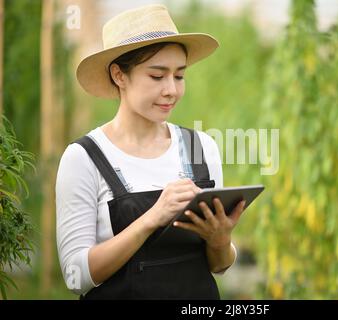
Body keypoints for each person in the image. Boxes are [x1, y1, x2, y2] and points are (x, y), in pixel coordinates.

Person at [56, 4, 245, 300]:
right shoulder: (84, 158)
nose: (171, 90)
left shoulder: (200, 148)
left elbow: (219, 266)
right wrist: (151, 217)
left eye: (179, 76)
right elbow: (75, 276)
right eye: (157, 77)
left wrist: (220, 240)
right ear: (119, 75)